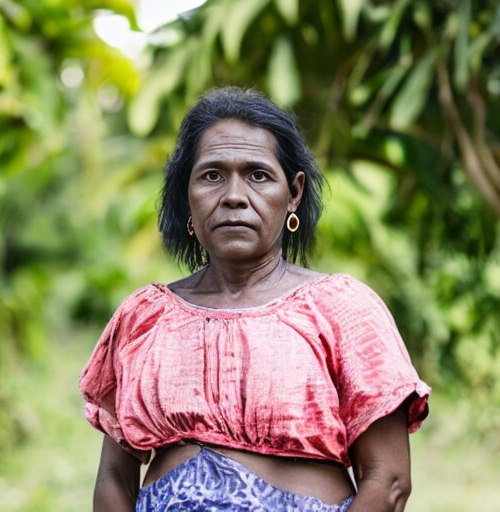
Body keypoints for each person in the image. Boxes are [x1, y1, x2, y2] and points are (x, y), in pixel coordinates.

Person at [79, 87, 431, 512]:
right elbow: (114, 479)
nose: (233, 195)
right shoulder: (143, 319)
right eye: (211, 175)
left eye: (258, 175)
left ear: (294, 193)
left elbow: (388, 480)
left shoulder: (344, 310)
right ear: (185, 195)